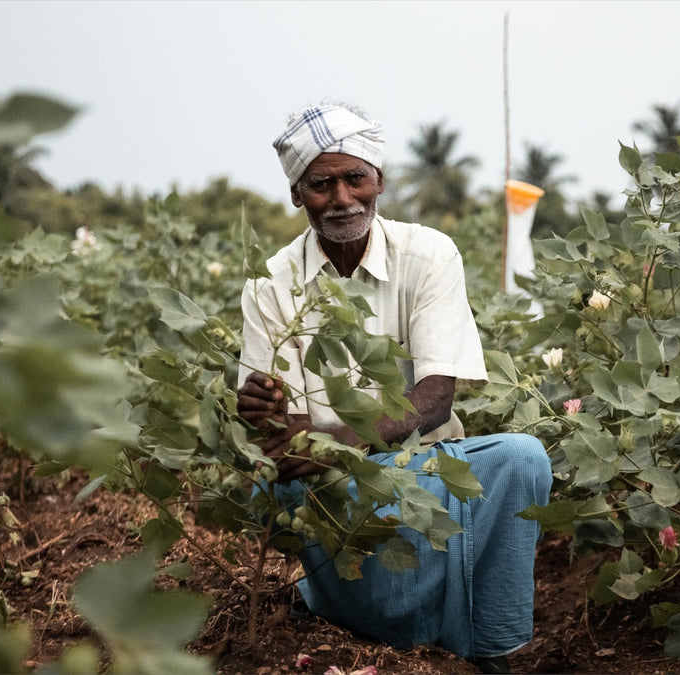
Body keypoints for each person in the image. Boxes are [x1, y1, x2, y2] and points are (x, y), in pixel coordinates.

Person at [236, 104, 551, 674]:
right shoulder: (270, 285)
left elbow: (435, 399)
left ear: (378, 180)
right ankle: (354, 612)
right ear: (296, 194)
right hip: (324, 481)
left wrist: (335, 438)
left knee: (522, 459)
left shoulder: (428, 255)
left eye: (355, 178)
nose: (341, 198)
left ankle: (491, 646)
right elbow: (275, 432)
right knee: (284, 494)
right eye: (321, 184)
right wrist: (259, 409)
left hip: (423, 465)